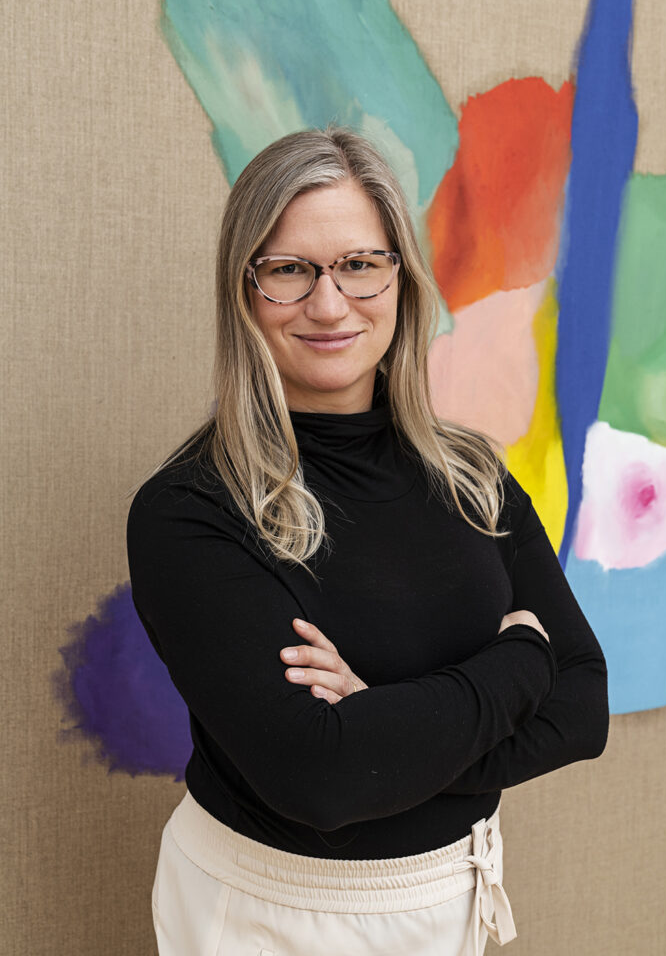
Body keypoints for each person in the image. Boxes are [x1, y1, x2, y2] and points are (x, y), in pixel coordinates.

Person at [126, 126, 609, 955]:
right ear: (243, 290)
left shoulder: (470, 475)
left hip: (447, 899)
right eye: (288, 270)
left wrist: (383, 728)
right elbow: (322, 779)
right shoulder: (191, 510)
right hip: (264, 916)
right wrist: (520, 662)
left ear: (399, 277)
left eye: (358, 263)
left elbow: (583, 709)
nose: (327, 302)